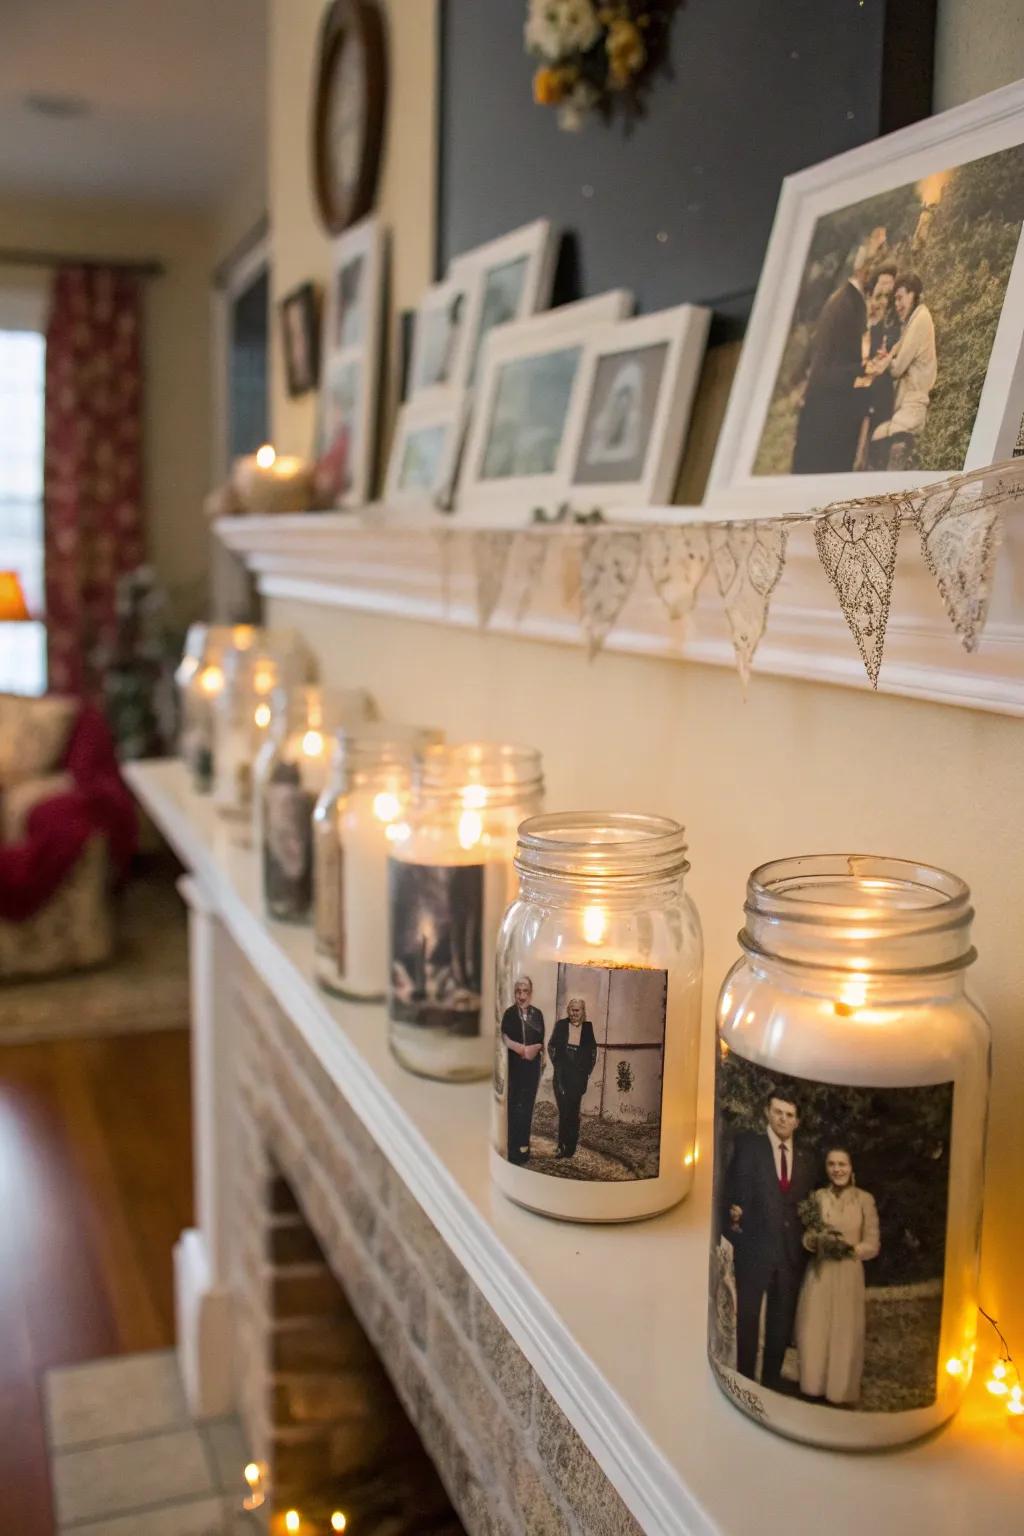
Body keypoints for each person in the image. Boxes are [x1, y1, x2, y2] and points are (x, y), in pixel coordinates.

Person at [722, 1094, 816, 1390]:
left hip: (789, 1254)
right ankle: (745, 1380)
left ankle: (772, 1383)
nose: (783, 1119)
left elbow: (810, 1206)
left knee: (780, 1323)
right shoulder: (749, 1147)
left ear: (797, 1121)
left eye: (789, 1115)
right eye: (778, 1112)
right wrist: (732, 1223)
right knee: (748, 1319)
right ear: (767, 1112)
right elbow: (729, 1190)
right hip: (754, 1248)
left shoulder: (806, 1160)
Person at [792, 229, 886, 474]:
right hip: (825, 430)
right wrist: (862, 368)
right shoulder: (845, 305)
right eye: (876, 257)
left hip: (826, 424)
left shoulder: (849, 301)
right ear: (863, 267)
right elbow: (823, 373)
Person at [795, 1148, 880, 1405]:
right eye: (831, 1164)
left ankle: (839, 1392)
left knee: (844, 1329)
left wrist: (848, 1249)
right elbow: (807, 1236)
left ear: (851, 1167)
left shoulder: (864, 1200)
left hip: (848, 1271)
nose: (837, 1169)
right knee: (815, 1327)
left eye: (842, 1164)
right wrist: (815, 1242)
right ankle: (813, 1387)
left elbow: (873, 1244)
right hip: (820, 1272)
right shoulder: (818, 1198)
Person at [869, 272, 937, 470]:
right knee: (875, 439)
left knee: (881, 448)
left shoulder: (921, 319)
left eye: (900, 298)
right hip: (905, 408)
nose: (897, 305)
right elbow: (897, 351)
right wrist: (887, 358)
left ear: (912, 294)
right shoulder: (913, 320)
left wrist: (885, 363)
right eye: (895, 300)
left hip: (912, 409)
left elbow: (897, 368)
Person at [853, 263, 897, 469]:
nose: (883, 302)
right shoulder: (856, 326)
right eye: (879, 296)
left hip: (878, 405)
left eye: (889, 297)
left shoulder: (892, 329)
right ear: (870, 295)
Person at [500, 976, 545, 1165]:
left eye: (525, 991)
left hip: (532, 1068)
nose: (521, 995)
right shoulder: (510, 1014)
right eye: (518, 991)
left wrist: (534, 1050)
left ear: (530, 993)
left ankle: (524, 1147)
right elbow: (505, 1037)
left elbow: (541, 1040)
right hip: (515, 1067)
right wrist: (521, 1049)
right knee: (514, 1105)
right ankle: (513, 1149)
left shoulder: (537, 1014)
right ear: (514, 994)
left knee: (527, 1106)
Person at [547, 997, 598, 1157]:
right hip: (562, 1075)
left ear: (583, 1011)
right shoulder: (561, 1025)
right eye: (572, 1009)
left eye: (578, 1010)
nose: (574, 1013)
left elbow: (593, 1053)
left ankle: (570, 1148)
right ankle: (561, 1145)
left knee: (573, 1112)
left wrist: (586, 1073)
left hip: (578, 1076)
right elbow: (551, 1046)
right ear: (568, 1010)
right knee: (564, 1110)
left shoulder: (588, 1028)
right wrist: (558, 1065)